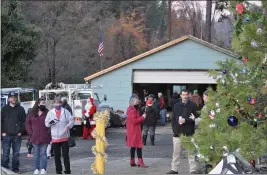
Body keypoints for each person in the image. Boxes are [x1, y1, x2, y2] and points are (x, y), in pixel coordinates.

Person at [167, 89, 199, 174]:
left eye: (186, 95)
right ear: (180, 96)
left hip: (189, 133)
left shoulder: (193, 106)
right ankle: (174, 169)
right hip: (178, 132)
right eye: (183, 95)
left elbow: (197, 119)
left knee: (191, 152)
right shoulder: (176, 105)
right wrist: (174, 129)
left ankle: (192, 170)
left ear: (188, 95)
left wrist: (186, 120)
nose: (185, 96)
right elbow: (173, 119)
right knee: (176, 152)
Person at [45, 97, 74, 174]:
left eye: (59, 103)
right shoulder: (50, 112)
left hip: (64, 136)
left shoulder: (65, 112)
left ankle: (67, 170)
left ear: (61, 103)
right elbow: (46, 123)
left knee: (65, 155)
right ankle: (58, 171)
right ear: (54, 104)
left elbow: (71, 121)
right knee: (57, 156)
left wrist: (68, 126)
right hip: (55, 137)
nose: (57, 104)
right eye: (56, 103)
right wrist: (50, 123)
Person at [1, 92, 26, 173]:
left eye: (14, 97)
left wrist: (21, 132)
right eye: (11, 97)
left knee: (16, 155)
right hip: (6, 135)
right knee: (5, 155)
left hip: (17, 135)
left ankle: (15, 170)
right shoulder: (4, 109)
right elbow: (1, 121)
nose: (13, 98)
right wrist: (2, 132)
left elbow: (24, 122)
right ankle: (5, 170)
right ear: (8, 99)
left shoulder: (21, 109)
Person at [26, 97, 51, 174]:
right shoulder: (32, 113)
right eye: (42, 103)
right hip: (34, 136)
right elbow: (27, 123)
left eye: (44, 103)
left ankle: (44, 169)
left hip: (45, 136)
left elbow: (51, 123)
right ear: (38, 103)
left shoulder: (47, 112)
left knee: (44, 154)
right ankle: (36, 169)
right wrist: (30, 132)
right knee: (36, 154)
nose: (44, 104)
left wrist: (48, 133)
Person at [126, 96, 148, 168]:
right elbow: (135, 121)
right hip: (135, 131)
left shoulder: (130, 109)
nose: (138, 104)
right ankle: (140, 161)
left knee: (133, 146)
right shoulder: (133, 111)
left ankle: (132, 161)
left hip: (131, 130)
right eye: (137, 102)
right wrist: (143, 117)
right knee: (139, 146)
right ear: (132, 102)